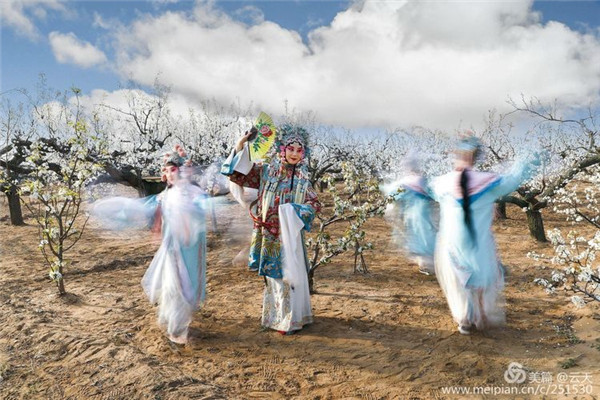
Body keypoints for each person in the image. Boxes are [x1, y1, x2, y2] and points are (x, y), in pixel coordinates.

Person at [93, 145, 207, 344]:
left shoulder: (194, 193)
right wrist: (117, 209)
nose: (169, 174)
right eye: (166, 170)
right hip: (173, 248)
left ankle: (179, 325)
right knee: (174, 287)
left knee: (188, 286)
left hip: (191, 247)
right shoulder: (165, 196)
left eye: (173, 169)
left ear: (182, 170)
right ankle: (176, 331)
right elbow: (149, 210)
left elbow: (203, 212)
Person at [428, 135, 538, 335]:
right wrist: (531, 157)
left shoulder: (442, 183)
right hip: (478, 241)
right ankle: (478, 315)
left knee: (460, 279)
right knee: (482, 277)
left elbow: (428, 191)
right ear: (476, 157)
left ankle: (467, 318)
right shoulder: (488, 182)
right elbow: (515, 178)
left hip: (452, 241)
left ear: (456, 155)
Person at [221, 124, 321, 334]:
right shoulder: (266, 172)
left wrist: (294, 211)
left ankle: (293, 319)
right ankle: (276, 317)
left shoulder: (304, 179)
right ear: (282, 149)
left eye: (298, 150)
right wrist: (242, 145)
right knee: (274, 276)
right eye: (290, 149)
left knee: (290, 275)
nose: (294, 154)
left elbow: (314, 204)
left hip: (290, 236)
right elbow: (238, 174)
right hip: (269, 234)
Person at [389, 157, 437, 275]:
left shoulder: (405, 182)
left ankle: (425, 263)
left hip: (412, 213)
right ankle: (427, 262)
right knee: (426, 234)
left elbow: (393, 195)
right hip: (425, 211)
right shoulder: (423, 180)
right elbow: (432, 194)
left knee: (418, 235)